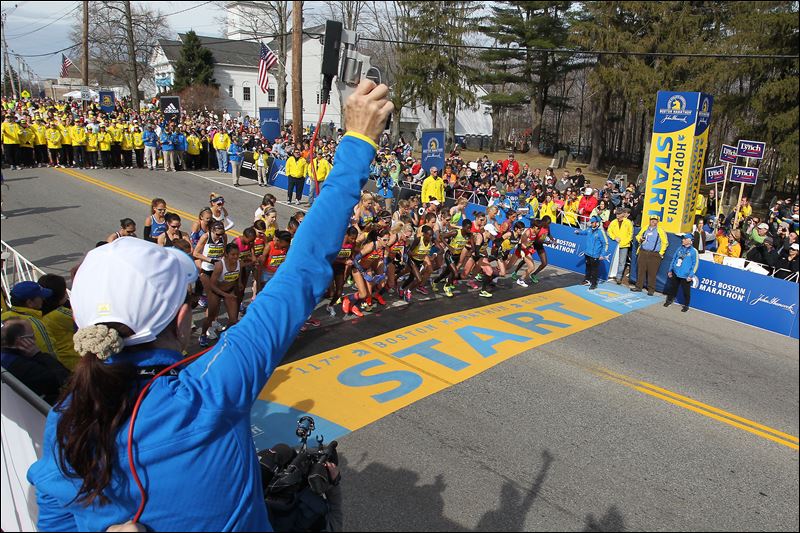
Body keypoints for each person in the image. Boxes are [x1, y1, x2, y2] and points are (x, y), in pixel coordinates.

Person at [26, 79, 392, 532]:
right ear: (182, 319)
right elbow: (304, 268)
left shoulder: (64, 421)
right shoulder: (211, 388)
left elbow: (54, 514)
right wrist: (357, 141)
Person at [1, 318, 70, 405]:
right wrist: (38, 355)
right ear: (21, 341)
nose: (35, 339)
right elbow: (65, 379)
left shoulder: (5, 358)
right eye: (32, 336)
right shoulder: (25, 367)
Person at [1, 281, 57, 355]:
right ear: (30, 303)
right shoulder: (36, 324)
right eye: (40, 296)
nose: (43, 299)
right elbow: (50, 353)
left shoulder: (3, 317)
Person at [631, 215, 668, 295]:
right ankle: (638, 287)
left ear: (657, 221)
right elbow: (638, 236)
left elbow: (665, 243)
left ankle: (651, 289)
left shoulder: (660, 230)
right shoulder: (645, 228)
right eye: (652, 220)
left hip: (654, 254)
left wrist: (661, 253)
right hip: (643, 252)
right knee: (641, 270)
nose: (653, 221)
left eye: (655, 220)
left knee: (652, 273)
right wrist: (639, 239)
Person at [664, 233, 698, 312]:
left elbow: (695, 264)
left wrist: (691, 275)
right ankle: (669, 301)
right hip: (676, 272)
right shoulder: (679, 248)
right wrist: (670, 270)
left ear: (689, 241)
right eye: (683, 239)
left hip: (685, 275)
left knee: (686, 291)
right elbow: (674, 259)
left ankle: (686, 305)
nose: (683, 240)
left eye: (685, 239)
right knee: (673, 288)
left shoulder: (693, 251)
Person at [574, 215, 609, 290]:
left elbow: (605, 244)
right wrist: (578, 232)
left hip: (595, 255)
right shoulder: (589, 229)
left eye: (592, 222)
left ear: (597, 223)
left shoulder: (600, 232)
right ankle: (587, 280)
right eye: (591, 222)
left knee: (594, 270)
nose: (591, 223)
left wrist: (602, 254)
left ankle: (594, 283)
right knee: (588, 268)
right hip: (587, 253)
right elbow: (584, 232)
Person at [607, 208, 633, 284]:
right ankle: (611, 275)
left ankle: (619, 277)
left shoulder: (628, 222)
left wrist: (624, 242)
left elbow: (630, 234)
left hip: (624, 245)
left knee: (622, 262)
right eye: (616, 214)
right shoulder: (613, 222)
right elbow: (609, 231)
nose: (617, 215)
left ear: (623, 214)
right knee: (613, 259)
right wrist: (614, 238)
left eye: (618, 214)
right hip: (615, 244)